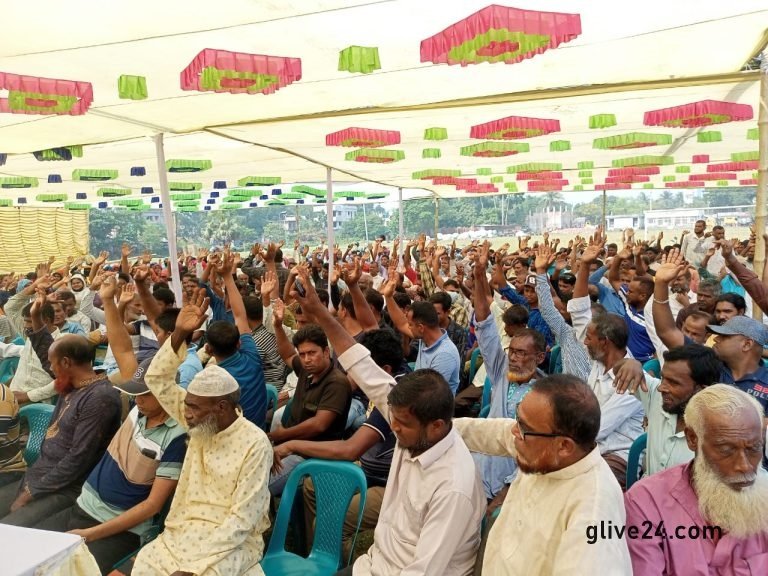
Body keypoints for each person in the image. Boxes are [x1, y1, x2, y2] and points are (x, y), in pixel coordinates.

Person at [291, 275, 485, 576]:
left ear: (436, 426)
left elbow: (423, 572)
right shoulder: (412, 421)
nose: (393, 428)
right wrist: (318, 311)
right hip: (374, 564)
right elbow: (361, 365)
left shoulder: (452, 487)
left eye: (402, 425)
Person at [133, 288, 273, 576]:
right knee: (146, 563)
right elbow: (156, 380)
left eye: (194, 407)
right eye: (187, 405)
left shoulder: (255, 443)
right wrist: (179, 334)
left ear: (221, 407)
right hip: (184, 530)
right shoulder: (198, 422)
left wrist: (194, 567)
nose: (185, 413)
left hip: (233, 542)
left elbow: (243, 519)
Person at [454, 374, 632, 575]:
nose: (514, 432)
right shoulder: (543, 448)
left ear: (564, 446)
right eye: (518, 420)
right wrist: (447, 429)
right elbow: (497, 432)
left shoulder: (594, 511)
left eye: (523, 428)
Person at [35, 358, 186, 573]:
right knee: (33, 553)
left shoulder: (177, 437)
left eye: (145, 394)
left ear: (167, 393)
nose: (138, 400)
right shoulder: (138, 410)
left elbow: (152, 505)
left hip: (120, 529)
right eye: (135, 393)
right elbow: (123, 352)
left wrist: (90, 534)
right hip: (83, 507)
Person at [274, 329, 405, 560]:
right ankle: (314, 555)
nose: (352, 377)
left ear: (384, 371)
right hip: (369, 470)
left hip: (392, 485)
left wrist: (291, 444)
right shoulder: (386, 384)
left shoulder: (396, 398)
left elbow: (349, 449)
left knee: (331, 521)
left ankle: (334, 563)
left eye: (360, 372)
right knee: (312, 486)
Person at [625, 385, 768, 574]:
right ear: (692, 439)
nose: (744, 466)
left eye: (754, 448)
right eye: (726, 450)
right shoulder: (646, 503)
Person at [0, 314, 121, 526]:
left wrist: (32, 492)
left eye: (53, 364)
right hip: (37, 476)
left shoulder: (100, 398)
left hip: (66, 488)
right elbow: (47, 354)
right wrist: (36, 318)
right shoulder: (72, 383)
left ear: (66, 362)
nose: (50, 368)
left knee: (9, 530)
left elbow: (78, 458)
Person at [470, 241, 545, 499]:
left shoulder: (545, 394)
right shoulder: (500, 369)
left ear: (540, 357)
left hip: (515, 480)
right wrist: (480, 275)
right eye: (511, 351)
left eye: (521, 354)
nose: (513, 358)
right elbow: (484, 322)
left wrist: (508, 489)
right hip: (482, 465)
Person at [270, 296, 352, 495]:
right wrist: (278, 326)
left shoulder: (336, 382)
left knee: (260, 487)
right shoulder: (307, 370)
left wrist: (281, 435)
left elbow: (319, 425)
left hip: (310, 456)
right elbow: (287, 354)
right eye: (303, 354)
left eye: (312, 353)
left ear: (326, 352)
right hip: (289, 446)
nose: (306, 359)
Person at [614, 345, 722, 476]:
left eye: (673, 383)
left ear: (701, 390)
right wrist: (631, 363)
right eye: (663, 378)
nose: (661, 388)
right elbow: (618, 368)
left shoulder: (717, 437)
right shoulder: (657, 396)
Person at [381, 281, 461, 394]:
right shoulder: (426, 338)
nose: (408, 327)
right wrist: (388, 296)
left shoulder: (444, 355)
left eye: (410, 325)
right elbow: (401, 323)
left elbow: (427, 395)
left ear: (421, 328)